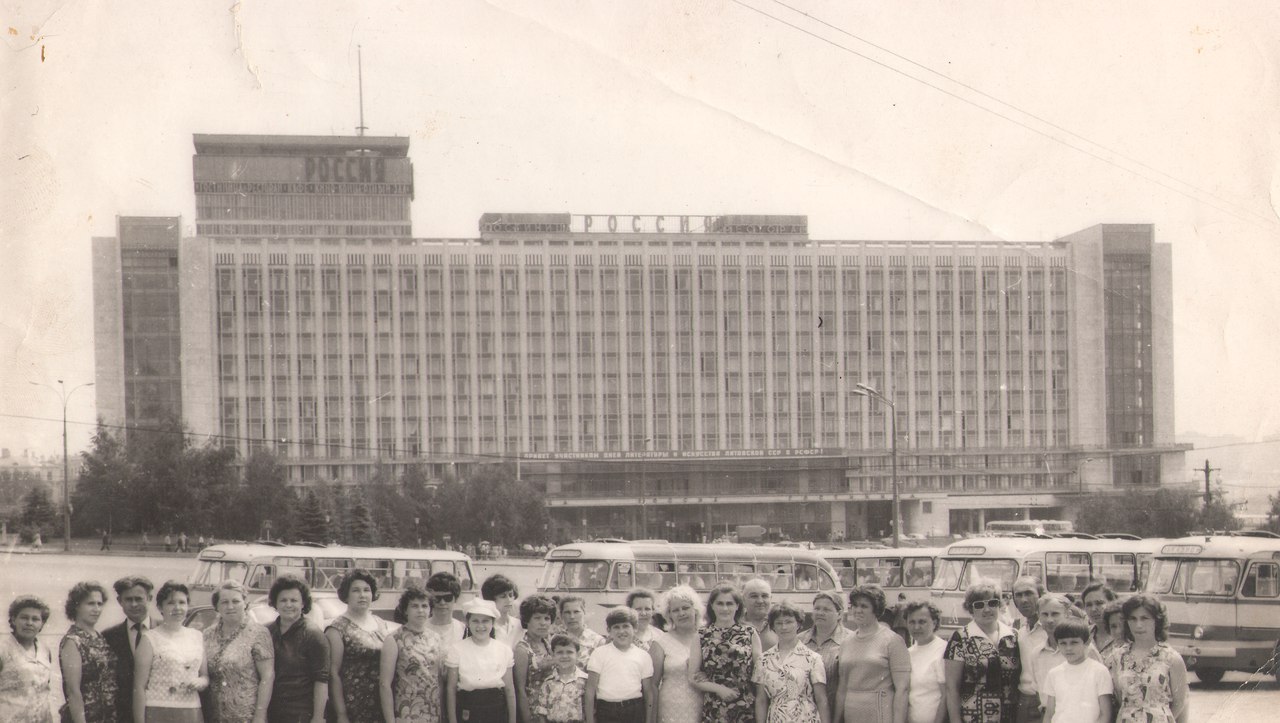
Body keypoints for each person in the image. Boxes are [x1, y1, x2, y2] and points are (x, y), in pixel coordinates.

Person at [943, 580, 1020, 723]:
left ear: (1000, 605)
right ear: (971, 609)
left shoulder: (1013, 636)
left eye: (992, 603)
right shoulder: (960, 638)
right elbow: (952, 687)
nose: (987, 609)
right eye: (979, 605)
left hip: (1009, 717)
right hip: (973, 717)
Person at [833, 584, 910, 723]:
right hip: (852, 714)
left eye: (864, 606)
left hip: (880, 714)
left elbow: (902, 689)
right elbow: (842, 688)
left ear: (876, 610)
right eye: (855, 605)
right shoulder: (846, 642)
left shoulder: (893, 641)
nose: (857, 610)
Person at [133, 581, 207, 723]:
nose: (177, 608)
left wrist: (200, 681)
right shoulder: (149, 638)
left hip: (191, 710)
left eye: (182, 602)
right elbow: (139, 687)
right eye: (171, 603)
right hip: (158, 710)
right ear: (160, 607)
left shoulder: (197, 636)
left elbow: (205, 676)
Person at [1106, 595, 1188, 723]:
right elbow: (1119, 696)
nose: (1138, 625)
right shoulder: (1118, 657)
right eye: (1133, 619)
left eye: (1144, 618)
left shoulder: (1171, 658)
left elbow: (1180, 701)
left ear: (1157, 621)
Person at [204, 580, 275, 723]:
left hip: (246, 715)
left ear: (245, 603)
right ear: (217, 606)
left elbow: (267, 676)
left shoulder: (258, 633)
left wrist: (260, 716)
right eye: (224, 602)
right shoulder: (207, 634)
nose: (230, 607)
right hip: (213, 715)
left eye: (235, 601)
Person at [326, 570, 390, 723]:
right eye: (356, 590)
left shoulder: (381, 624)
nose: (362, 595)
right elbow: (333, 674)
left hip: (382, 703)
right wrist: (341, 714)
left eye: (366, 590)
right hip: (353, 706)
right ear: (346, 596)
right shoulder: (337, 629)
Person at [1027, 594, 1103, 720]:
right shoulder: (1036, 654)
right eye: (1044, 614)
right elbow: (1038, 692)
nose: (1049, 620)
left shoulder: (1086, 650)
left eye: (1055, 614)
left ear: (1067, 614)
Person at [693, 582, 760, 723]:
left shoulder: (749, 632)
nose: (725, 608)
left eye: (729, 604)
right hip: (715, 706)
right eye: (720, 603)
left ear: (737, 606)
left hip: (746, 704)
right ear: (712, 605)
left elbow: (759, 671)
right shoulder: (701, 634)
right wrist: (719, 689)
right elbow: (692, 677)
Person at [267, 575, 330, 723]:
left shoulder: (314, 635)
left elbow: (321, 680)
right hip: (272, 712)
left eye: (294, 600)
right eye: (283, 600)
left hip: (301, 714)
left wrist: (318, 718)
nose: (288, 604)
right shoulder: (266, 631)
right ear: (275, 603)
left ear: (303, 604)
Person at [379, 587, 445, 723]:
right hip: (406, 712)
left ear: (430, 610)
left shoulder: (436, 638)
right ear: (405, 610)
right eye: (414, 606)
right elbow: (384, 684)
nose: (420, 610)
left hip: (433, 712)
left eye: (424, 606)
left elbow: (438, 680)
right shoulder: (394, 639)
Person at [754, 602, 828, 723]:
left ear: (798, 624)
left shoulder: (813, 658)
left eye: (789, 622)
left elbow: (821, 699)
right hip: (776, 718)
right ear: (773, 627)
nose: (784, 627)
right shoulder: (763, 659)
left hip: (805, 717)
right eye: (779, 623)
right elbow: (761, 700)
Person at [444, 599, 516, 723]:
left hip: (497, 711)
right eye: (475, 621)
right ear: (468, 623)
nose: (480, 626)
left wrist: (512, 720)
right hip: (468, 710)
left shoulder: (503, 650)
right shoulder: (457, 649)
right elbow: (451, 689)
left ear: (493, 623)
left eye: (485, 621)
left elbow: (509, 689)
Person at [60, 580, 119, 723]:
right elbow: (73, 692)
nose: (96, 609)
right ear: (76, 606)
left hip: (109, 717)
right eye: (90, 604)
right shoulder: (72, 641)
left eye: (99, 604)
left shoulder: (99, 637)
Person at [584, 607, 654, 723]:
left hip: (634, 710)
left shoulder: (643, 656)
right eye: (616, 627)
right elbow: (590, 690)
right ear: (609, 630)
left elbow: (648, 692)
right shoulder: (600, 653)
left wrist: (648, 720)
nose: (621, 631)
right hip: (607, 710)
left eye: (626, 626)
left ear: (635, 628)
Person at [103, 576, 155, 723]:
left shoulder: (164, 631)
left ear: (149, 598)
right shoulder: (108, 636)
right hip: (123, 714)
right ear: (120, 601)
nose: (134, 604)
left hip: (160, 710)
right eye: (128, 599)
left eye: (139, 599)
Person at [0, 595, 58, 722]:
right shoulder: (3, 650)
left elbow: (44, 689)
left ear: (42, 623)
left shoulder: (45, 650)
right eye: (24, 617)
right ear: (14, 619)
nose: (29, 623)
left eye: (35, 619)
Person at [1042, 620, 1111, 723]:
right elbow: (1049, 714)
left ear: (1086, 642)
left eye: (1074, 642)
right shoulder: (1054, 673)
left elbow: (1105, 714)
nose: (1068, 648)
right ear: (1058, 645)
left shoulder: (1099, 671)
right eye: (1063, 643)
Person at [801, 591, 846, 722]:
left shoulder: (850, 641)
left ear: (839, 614)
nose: (820, 613)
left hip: (839, 715)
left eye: (826, 609)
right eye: (817, 608)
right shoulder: (800, 640)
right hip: (805, 715)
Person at [514, 595, 559, 723]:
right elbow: (520, 690)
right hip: (534, 712)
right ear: (527, 620)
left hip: (552, 709)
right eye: (537, 618)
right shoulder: (522, 650)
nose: (543, 623)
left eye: (547, 618)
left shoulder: (549, 644)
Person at [905, 602, 947, 723]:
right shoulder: (908, 653)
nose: (916, 627)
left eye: (922, 622)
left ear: (934, 623)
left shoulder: (943, 650)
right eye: (912, 622)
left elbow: (946, 696)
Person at [534, 635, 587, 723]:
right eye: (560, 652)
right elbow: (542, 711)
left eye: (569, 652)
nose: (564, 656)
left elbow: (591, 711)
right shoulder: (548, 682)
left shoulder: (585, 681)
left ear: (577, 654)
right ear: (553, 654)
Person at [554, 597, 604, 670]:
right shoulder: (554, 640)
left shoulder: (598, 641)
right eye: (567, 612)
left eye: (576, 612)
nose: (572, 617)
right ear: (561, 615)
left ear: (584, 613)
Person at [482, 575, 524, 648]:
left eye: (511, 595)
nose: (509, 600)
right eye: (503, 596)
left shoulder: (519, 625)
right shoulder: (486, 627)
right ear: (491, 599)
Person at [1078, 583, 1118, 659]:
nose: (1093, 609)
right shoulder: (1083, 635)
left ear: (1112, 603)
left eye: (1099, 603)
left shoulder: (1125, 634)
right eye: (1089, 605)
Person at [423, 573, 466, 644]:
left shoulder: (464, 630)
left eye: (447, 598)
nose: (442, 602)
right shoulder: (420, 628)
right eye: (437, 598)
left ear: (456, 599)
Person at [741, 579, 777, 651]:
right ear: (743, 600)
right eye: (754, 596)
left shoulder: (780, 625)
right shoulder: (735, 625)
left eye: (764, 596)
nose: (760, 601)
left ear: (771, 599)